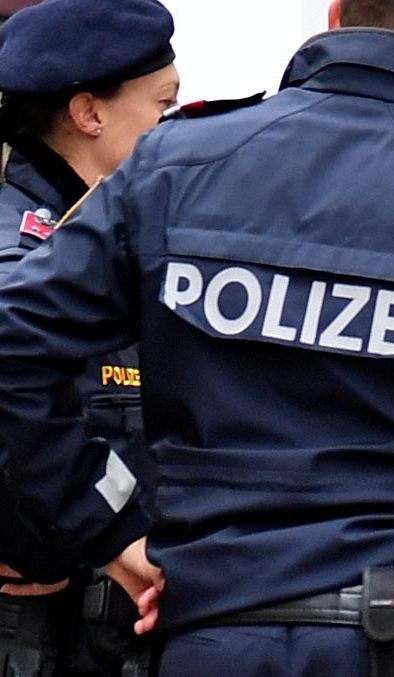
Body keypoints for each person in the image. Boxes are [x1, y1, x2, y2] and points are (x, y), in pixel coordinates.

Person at [0, 0, 394, 675]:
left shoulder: (179, 163)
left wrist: (104, 523)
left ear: (334, 15)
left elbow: (14, 343)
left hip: (210, 629)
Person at [0, 0, 179, 674]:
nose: (175, 127)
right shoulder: (27, 250)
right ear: (89, 114)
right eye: (164, 104)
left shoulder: (115, 239)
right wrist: (98, 531)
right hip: (39, 634)